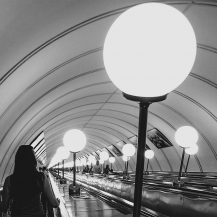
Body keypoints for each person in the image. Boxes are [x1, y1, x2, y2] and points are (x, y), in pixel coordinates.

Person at [2, 145, 60, 217]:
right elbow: (53, 203)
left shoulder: (9, 180)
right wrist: (58, 202)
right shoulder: (41, 177)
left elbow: (4, 206)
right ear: (33, 159)